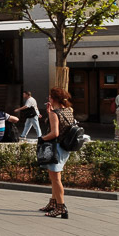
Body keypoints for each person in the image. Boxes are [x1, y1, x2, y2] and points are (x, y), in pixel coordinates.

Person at [39, 87, 76, 219]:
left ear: (53, 99)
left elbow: (55, 133)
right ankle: (53, 202)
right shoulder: (68, 110)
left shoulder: (56, 113)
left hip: (56, 147)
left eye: (49, 96)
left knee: (55, 178)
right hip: (66, 147)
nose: (48, 98)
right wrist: (49, 112)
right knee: (55, 177)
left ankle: (61, 207)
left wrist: (41, 139)